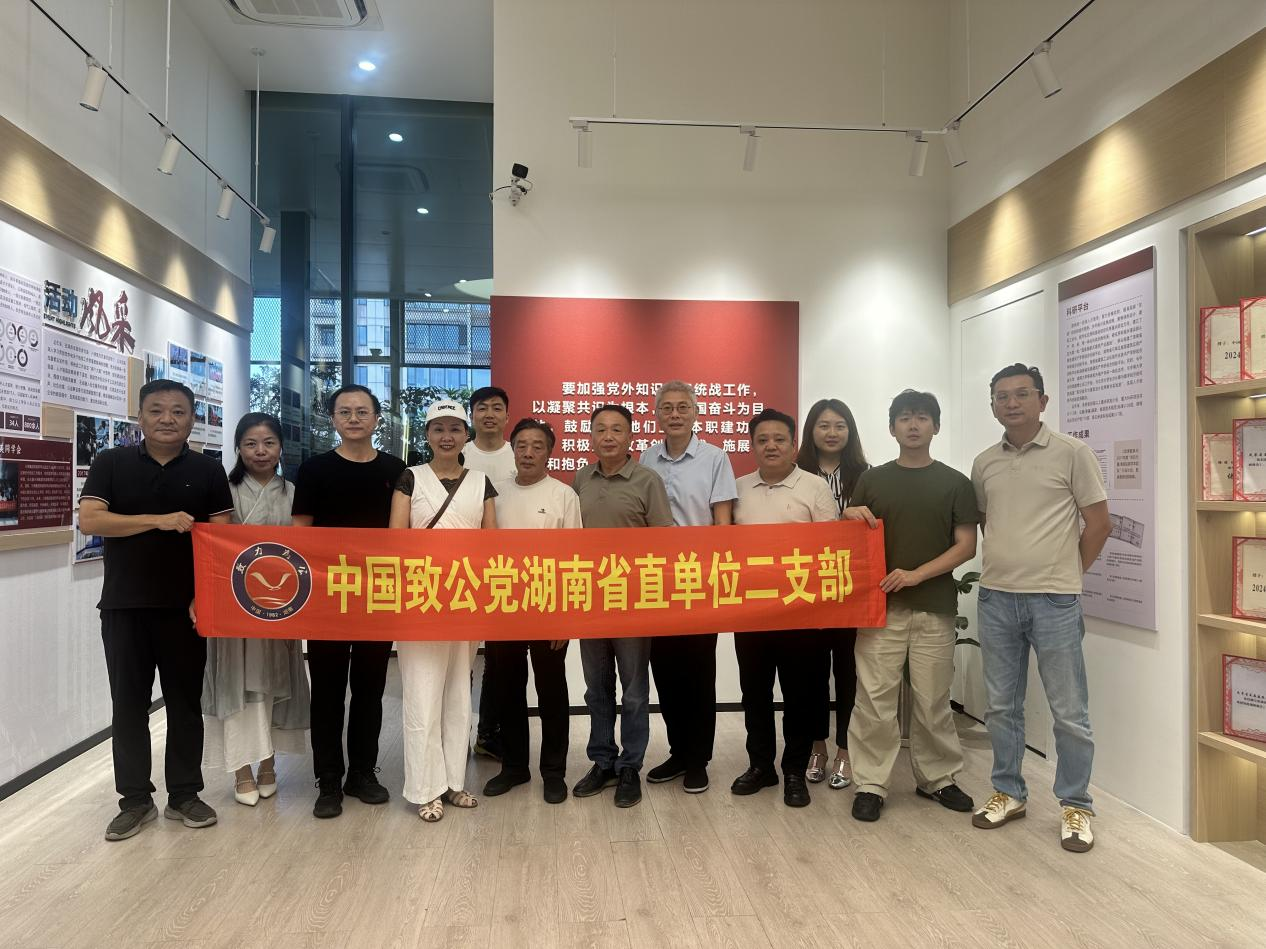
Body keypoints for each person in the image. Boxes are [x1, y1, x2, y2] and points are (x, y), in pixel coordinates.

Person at [79, 379, 233, 841]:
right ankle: (135, 800)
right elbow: (91, 520)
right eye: (157, 410)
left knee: (185, 704)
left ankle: (184, 794)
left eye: (178, 411)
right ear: (140, 417)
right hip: (124, 605)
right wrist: (158, 520)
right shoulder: (111, 463)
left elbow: (222, 540)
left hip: (185, 610)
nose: (168, 419)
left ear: (192, 419)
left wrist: (205, 595)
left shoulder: (208, 471)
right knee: (128, 706)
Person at [970, 364, 1110, 853]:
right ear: (993, 406)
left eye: (1022, 394)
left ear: (1042, 401)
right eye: (1001, 396)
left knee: (1069, 711)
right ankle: (1009, 792)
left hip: (1054, 601)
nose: (1011, 403)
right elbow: (988, 523)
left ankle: (1076, 804)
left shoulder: (1072, 453)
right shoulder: (984, 462)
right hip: (996, 597)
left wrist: (1067, 573)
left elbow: (1099, 523)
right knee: (1000, 707)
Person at [843, 390, 977, 822]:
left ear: (936, 426)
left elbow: (966, 545)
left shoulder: (955, 482)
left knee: (933, 699)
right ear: (891, 428)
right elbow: (852, 540)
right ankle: (870, 783)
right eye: (904, 417)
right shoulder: (873, 480)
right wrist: (847, 517)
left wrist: (918, 574)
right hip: (879, 609)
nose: (913, 424)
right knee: (874, 699)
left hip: (934, 606)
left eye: (922, 417)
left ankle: (937, 778)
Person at [292, 384, 405, 819]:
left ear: (377, 419)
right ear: (332, 419)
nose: (354, 418)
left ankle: (362, 773)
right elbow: (301, 534)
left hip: (377, 595)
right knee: (327, 691)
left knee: (370, 689)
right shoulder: (314, 469)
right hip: (328, 596)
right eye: (344, 412)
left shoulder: (396, 470)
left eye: (362, 411)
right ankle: (327, 779)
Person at [391, 399, 497, 821]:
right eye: (439, 428)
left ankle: (454, 782)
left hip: (465, 600)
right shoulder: (410, 478)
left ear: (466, 436)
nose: (447, 436)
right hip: (421, 600)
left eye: (455, 428)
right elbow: (396, 541)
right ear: (427, 435)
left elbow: (491, 544)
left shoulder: (481, 482)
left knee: (458, 693)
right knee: (422, 693)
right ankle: (425, 789)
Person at [201, 413, 310, 807]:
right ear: (238, 448)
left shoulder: (294, 492)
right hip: (233, 606)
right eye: (250, 443)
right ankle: (240, 770)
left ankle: (268, 764)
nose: (260, 451)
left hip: (278, 606)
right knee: (237, 685)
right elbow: (212, 548)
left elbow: (304, 551)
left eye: (268, 443)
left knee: (273, 684)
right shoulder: (223, 491)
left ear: (281, 447)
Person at [731, 408, 837, 808]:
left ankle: (794, 769)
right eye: (762, 440)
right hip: (751, 611)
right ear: (752, 446)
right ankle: (761, 766)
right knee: (754, 692)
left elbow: (830, 549)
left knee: (799, 694)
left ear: (794, 445)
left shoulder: (814, 487)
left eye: (779, 439)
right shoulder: (737, 488)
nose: (771, 446)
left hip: (800, 610)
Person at [572, 404, 674, 808]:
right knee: (596, 688)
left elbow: (664, 543)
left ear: (631, 437)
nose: (608, 436)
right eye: (601, 429)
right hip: (591, 601)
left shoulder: (648, 480)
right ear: (591, 436)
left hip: (632, 602)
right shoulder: (581, 479)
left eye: (617, 429)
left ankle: (630, 765)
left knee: (633, 691)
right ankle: (603, 761)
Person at [640, 381, 737, 794]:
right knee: (665, 670)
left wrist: (714, 577)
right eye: (667, 408)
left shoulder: (715, 458)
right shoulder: (647, 458)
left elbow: (723, 522)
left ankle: (698, 759)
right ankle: (678, 752)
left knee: (698, 671)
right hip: (657, 579)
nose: (675, 414)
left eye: (683, 407)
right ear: (657, 414)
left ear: (696, 413)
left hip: (698, 579)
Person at [482, 418, 581, 805]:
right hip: (503, 603)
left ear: (549, 452)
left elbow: (574, 559)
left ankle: (553, 772)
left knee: (551, 691)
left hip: (548, 604)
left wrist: (565, 617)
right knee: (506, 688)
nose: (528, 453)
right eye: (521, 445)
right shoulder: (494, 492)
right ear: (512, 449)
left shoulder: (563, 495)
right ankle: (514, 767)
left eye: (537, 446)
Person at [796, 398, 868, 789]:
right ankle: (817, 746)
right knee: (811, 672)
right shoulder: (796, 474)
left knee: (848, 671)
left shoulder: (867, 475)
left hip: (851, 587)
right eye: (823, 425)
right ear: (811, 431)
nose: (832, 432)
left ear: (850, 431)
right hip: (806, 587)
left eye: (840, 425)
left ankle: (845, 750)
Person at [464, 385, 516, 762]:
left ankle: (488, 733)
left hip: (505, 571)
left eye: (497, 408)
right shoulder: (460, 453)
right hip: (461, 570)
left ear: (507, 416)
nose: (489, 414)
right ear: (472, 415)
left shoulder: (519, 454)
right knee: (459, 658)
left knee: (498, 658)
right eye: (482, 408)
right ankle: (455, 731)